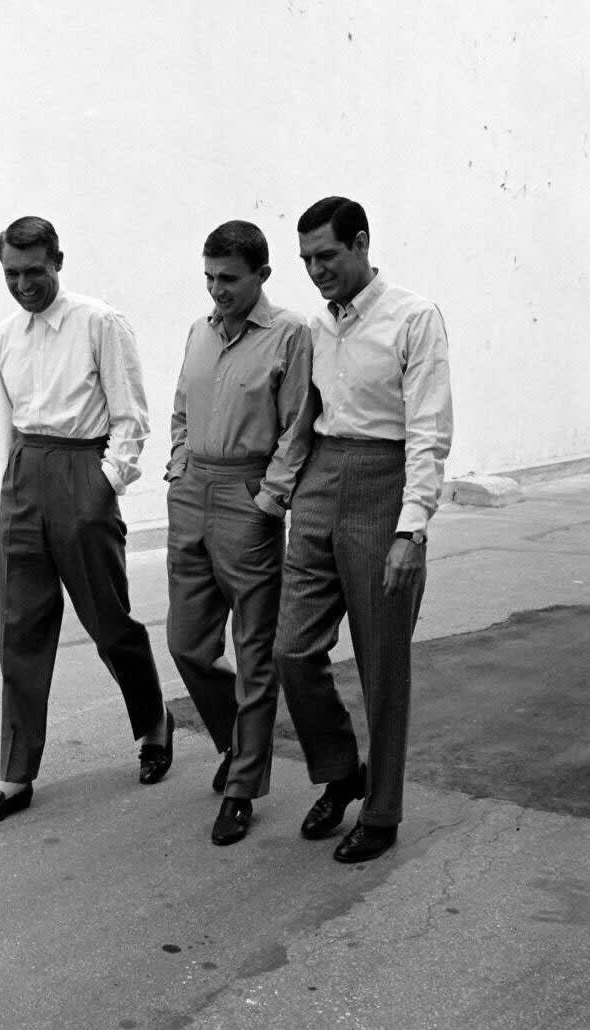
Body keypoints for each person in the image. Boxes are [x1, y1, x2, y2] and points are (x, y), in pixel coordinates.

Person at [0, 216, 172, 827]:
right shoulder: (3, 335)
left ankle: (153, 723)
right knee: (19, 629)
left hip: (83, 473)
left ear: (59, 260)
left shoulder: (98, 322)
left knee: (109, 622)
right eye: (11, 273)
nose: (23, 283)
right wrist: (12, 485)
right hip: (24, 480)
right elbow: (10, 417)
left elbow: (132, 416)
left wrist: (102, 488)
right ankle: (15, 774)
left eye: (34, 270)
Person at [273, 197, 453, 862]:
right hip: (321, 481)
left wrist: (412, 529)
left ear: (361, 243)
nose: (317, 271)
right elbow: (304, 417)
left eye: (327, 256)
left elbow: (429, 430)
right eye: (307, 261)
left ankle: (382, 814)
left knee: (383, 664)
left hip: (384, 486)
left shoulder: (413, 317)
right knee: (291, 649)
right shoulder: (317, 328)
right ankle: (342, 770)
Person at [166, 220, 314, 845]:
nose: (216, 290)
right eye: (209, 277)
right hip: (192, 491)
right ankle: (237, 741)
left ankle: (243, 786)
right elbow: (179, 406)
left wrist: (268, 500)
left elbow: (298, 426)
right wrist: (177, 469)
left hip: (247, 496)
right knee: (187, 643)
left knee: (255, 654)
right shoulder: (199, 332)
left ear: (262, 275)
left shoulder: (289, 335)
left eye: (229, 278)